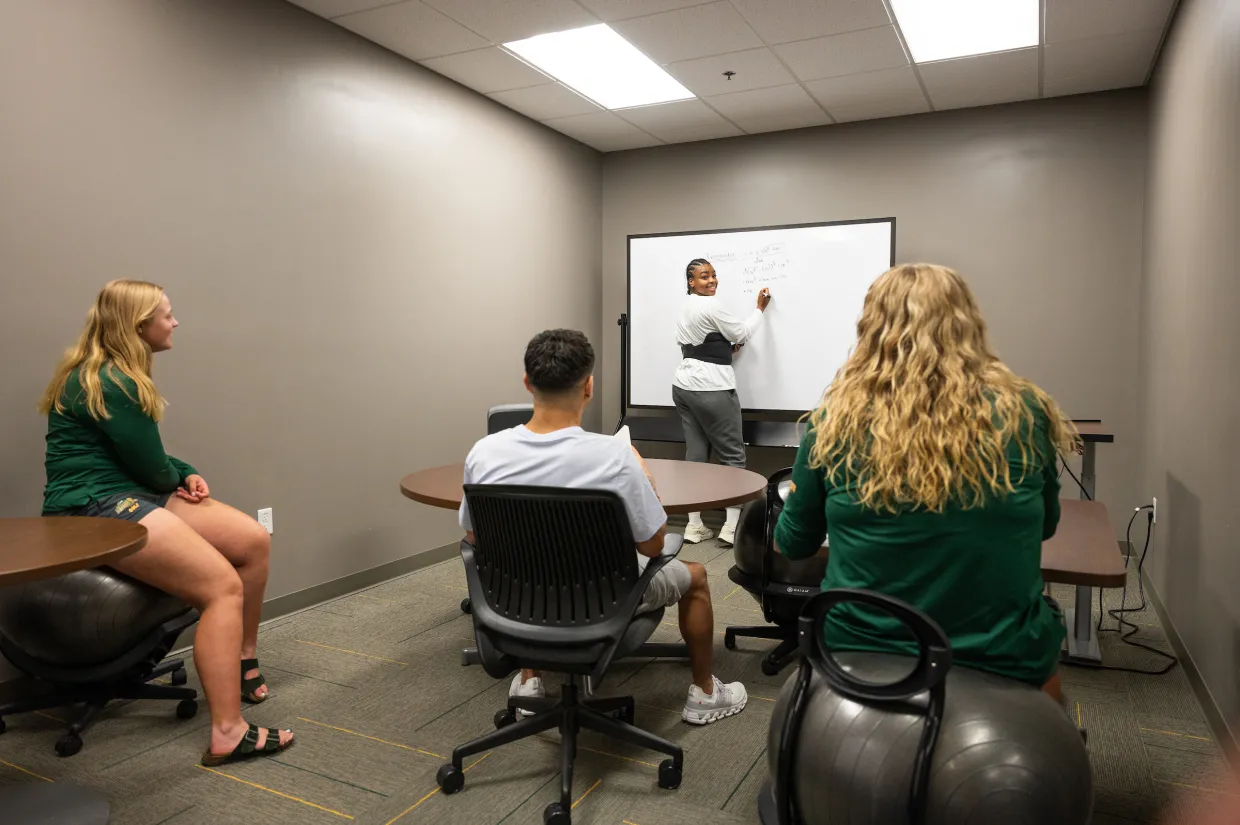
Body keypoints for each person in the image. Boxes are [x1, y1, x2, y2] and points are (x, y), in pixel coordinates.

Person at [774, 264, 1074, 701]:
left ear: (871, 329)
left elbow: (794, 545)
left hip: (857, 649)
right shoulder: (1026, 412)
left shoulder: (834, 422)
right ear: (967, 324)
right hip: (1002, 654)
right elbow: (1045, 527)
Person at [39, 279, 294, 765]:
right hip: (93, 506)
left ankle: (243, 658)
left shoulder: (109, 373)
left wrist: (184, 471)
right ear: (140, 326)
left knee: (252, 540)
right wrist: (176, 473)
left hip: (127, 490)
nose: (175, 322)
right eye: (168, 315)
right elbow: (153, 468)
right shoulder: (115, 381)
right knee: (221, 587)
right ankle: (227, 731)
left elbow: (148, 461)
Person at [460, 329, 747, 725]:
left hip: (517, 601)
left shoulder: (484, 453)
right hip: (600, 600)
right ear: (589, 387)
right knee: (695, 576)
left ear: (527, 383)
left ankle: (529, 681)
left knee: (528, 563)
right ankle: (705, 694)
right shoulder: (614, 457)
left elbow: (476, 539)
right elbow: (652, 546)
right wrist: (642, 475)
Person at [673, 258, 771, 545]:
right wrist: (759, 310)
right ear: (692, 281)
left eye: (714, 275)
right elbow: (740, 331)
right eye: (704, 276)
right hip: (712, 389)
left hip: (683, 387)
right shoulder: (712, 305)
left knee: (696, 457)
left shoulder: (685, 305)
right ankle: (730, 529)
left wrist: (726, 349)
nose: (712, 280)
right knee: (733, 457)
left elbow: (700, 344)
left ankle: (693, 526)